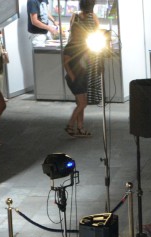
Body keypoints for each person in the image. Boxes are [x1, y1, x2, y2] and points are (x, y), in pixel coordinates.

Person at [61, 0, 98, 139]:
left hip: (80, 76)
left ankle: (80, 128)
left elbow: (86, 59)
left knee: (81, 103)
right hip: (76, 78)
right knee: (83, 103)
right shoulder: (71, 46)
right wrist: (72, 75)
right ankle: (70, 125)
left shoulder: (80, 45)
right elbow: (65, 63)